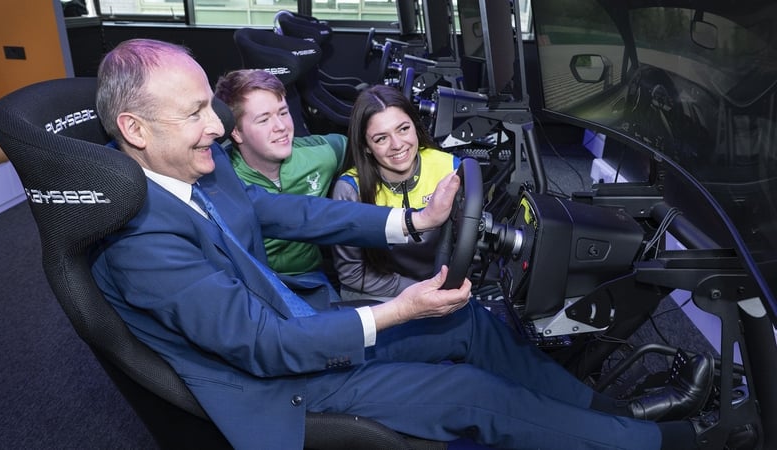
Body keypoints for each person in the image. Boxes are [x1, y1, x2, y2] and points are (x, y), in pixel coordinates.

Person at [90, 38, 721, 450]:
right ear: (134, 129)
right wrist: (400, 311)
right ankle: (678, 443)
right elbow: (264, 347)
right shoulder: (139, 242)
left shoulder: (197, 171)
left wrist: (411, 223)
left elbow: (292, 213)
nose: (217, 126)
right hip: (282, 380)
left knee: (470, 321)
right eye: (198, 112)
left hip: (305, 318)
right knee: (473, 395)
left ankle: (615, 417)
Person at [214, 69, 345, 299]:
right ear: (236, 131)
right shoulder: (218, 178)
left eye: (283, 112)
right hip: (249, 283)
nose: (281, 126)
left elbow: (365, 148)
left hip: (308, 277)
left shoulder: (320, 155)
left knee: (342, 332)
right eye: (264, 119)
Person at [332, 84, 460, 301]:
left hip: (441, 286)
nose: (397, 144)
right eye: (381, 138)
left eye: (403, 129)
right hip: (382, 291)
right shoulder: (349, 189)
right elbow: (352, 274)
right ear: (366, 147)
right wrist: (420, 292)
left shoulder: (450, 169)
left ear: (415, 126)